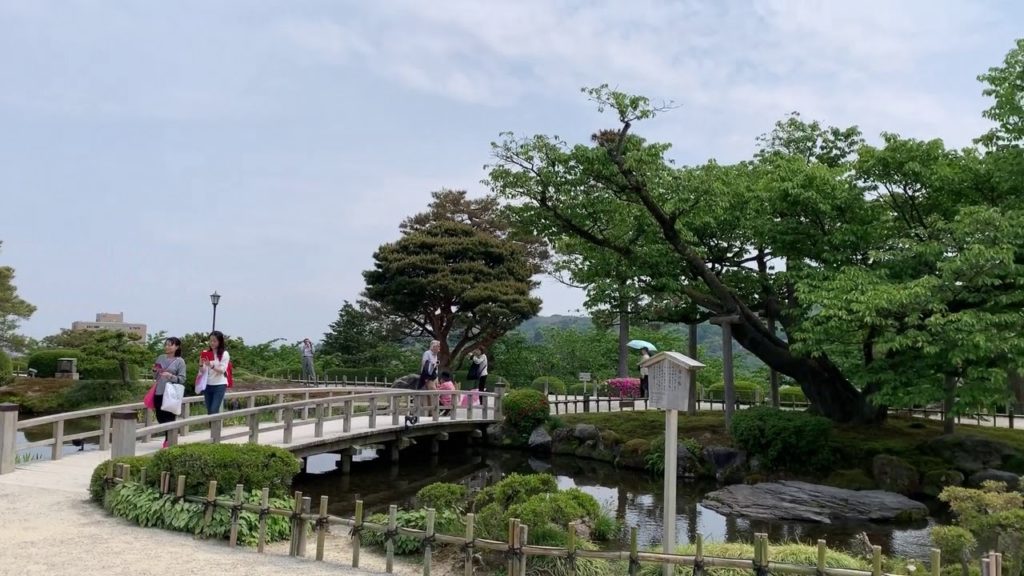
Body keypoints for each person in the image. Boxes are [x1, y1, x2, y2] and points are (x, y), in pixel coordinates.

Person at [153, 337, 186, 448]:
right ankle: (170, 434)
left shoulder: (180, 361)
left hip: (171, 393)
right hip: (159, 391)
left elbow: (182, 379)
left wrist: (170, 376)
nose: (167, 347)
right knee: (159, 416)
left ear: (177, 347)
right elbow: (155, 376)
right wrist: (155, 371)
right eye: (166, 344)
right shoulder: (160, 358)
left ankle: (168, 440)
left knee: (169, 417)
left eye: (170, 345)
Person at [200, 331, 230, 415]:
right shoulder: (206, 353)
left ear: (220, 342)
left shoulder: (224, 354)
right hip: (207, 384)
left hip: (219, 385)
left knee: (214, 410)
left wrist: (211, 365)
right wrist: (201, 364)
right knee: (209, 411)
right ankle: (213, 424)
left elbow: (222, 370)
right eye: (211, 341)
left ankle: (215, 424)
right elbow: (202, 371)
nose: (212, 343)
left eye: (214, 341)